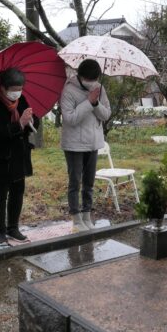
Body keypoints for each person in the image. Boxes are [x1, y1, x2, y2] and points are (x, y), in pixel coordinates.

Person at [0, 68, 39, 247]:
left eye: (20, 88)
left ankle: (13, 227)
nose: (17, 92)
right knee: (0, 193)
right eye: (14, 88)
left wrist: (31, 121)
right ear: (3, 87)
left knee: (17, 191)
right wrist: (18, 124)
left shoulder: (21, 100)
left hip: (19, 155)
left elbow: (31, 117)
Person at [60, 59, 111, 231]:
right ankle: (76, 219)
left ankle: (87, 215)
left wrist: (96, 103)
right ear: (80, 76)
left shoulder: (100, 89)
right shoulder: (69, 90)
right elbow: (70, 119)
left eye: (94, 79)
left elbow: (106, 115)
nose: (91, 83)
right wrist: (89, 102)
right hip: (74, 144)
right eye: (88, 79)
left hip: (93, 143)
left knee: (89, 182)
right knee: (75, 181)